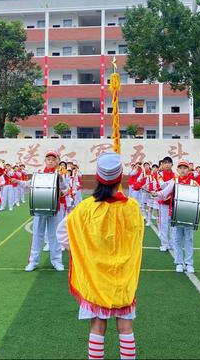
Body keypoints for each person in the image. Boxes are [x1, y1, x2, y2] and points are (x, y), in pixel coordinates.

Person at [57, 152, 144, 360]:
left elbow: (62, 234)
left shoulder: (85, 208)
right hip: (123, 277)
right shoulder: (132, 207)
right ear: (120, 176)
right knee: (125, 326)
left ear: (97, 177)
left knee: (97, 325)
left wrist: (84, 253)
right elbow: (138, 237)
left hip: (95, 278)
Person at [154, 159, 197, 273]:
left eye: (185, 168)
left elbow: (199, 198)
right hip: (175, 214)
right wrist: (157, 194)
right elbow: (165, 192)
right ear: (177, 169)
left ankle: (189, 263)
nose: (183, 170)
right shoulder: (174, 181)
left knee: (189, 239)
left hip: (189, 215)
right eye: (181, 168)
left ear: (188, 170)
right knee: (176, 239)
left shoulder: (194, 183)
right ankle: (178, 262)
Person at [25, 150, 65, 272]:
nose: (51, 161)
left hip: (55, 208)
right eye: (48, 159)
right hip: (40, 207)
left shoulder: (61, 174)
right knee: (37, 235)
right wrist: (19, 183)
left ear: (58, 161)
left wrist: (61, 180)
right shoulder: (39, 173)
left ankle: (57, 261)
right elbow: (29, 184)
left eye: (53, 159)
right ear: (45, 161)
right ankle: (33, 261)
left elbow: (66, 189)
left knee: (54, 236)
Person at [157, 156, 176, 251]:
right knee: (163, 223)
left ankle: (173, 243)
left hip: (173, 202)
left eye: (169, 163)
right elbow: (162, 185)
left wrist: (171, 182)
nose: (167, 164)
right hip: (163, 202)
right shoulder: (160, 174)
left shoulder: (175, 174)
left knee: (172, 224)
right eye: (165, 163)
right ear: (162, 165)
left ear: (172, 164)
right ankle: (164, 244)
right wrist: (172, 182)